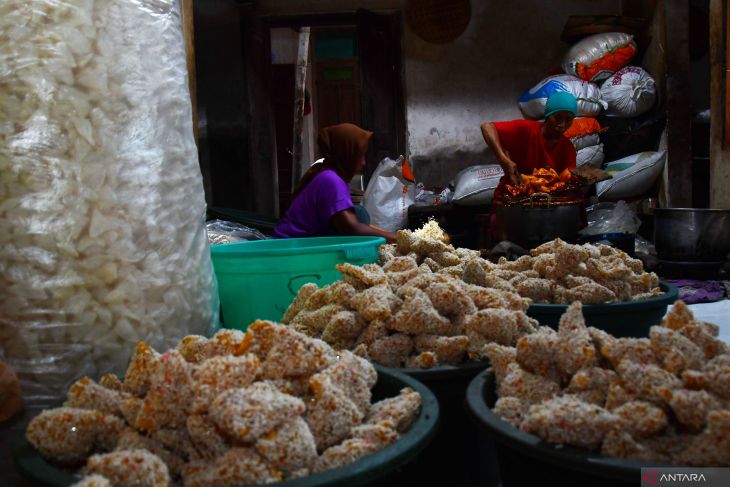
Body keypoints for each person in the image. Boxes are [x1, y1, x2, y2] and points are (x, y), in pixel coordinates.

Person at [479, 91, 579, 243]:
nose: (562, 125)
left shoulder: (567, 148)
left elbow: (567, 179)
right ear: (547, 115)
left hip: (547, 207)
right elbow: (487, 127)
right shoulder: (526, 129)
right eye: (557, 118)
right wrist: (503, 158)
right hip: (513, 202)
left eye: (568, 120)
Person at [273, 123, 396, 242]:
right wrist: (395, 238)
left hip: (299, 242)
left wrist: (391, 235)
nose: (363, 163)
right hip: (292, 246)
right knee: (360, 215)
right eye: (361, 156)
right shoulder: (330, 180)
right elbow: (352, 228)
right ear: (347, 154)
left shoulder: (328, 174)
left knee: (359, 213)